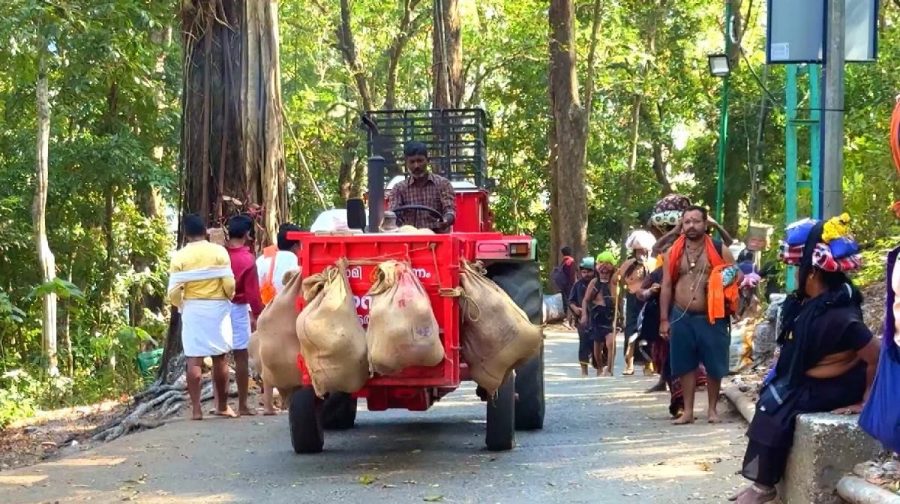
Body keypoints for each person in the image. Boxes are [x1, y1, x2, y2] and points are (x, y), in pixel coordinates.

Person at [731, 218, 878, 504]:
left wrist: (865, 400)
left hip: (837, 386)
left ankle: (763, 488)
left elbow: (875, 353)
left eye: (799, 269)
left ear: (811, 273)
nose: (796, 274)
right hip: (808, 381)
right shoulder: (810, 304)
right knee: (770, 401)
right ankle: (761, 485)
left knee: (779, 410)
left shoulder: (840, 315)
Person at [660, 205, 739, 425]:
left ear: (705, 224)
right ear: (681, 225)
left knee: (715, 364)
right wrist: (664, 319)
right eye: (687, 222)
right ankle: (688, 411)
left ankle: (712, 409)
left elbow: (737, 273)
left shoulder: (718, 248)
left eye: (696, 221)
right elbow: (666, 286)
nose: (691, 225)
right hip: (680, 315)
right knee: (684, 364)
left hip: (712, 316)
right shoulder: (673, 252)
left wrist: (719, 281)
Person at [167, 214, 236, 420]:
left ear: (186, 234)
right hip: (217, 308)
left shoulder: (179, 257)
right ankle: (222, 406)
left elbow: (174, 291)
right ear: (205, 230)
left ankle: (196, 410)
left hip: (193, 309)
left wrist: (181, 304)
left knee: (193, 358)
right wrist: (227, 297)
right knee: (219, 357)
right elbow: (229, 284)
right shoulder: (219, 252)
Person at [254, 223, 302, 415]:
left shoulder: (264, 258)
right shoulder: (294, 259)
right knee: (296, 353)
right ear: (297, 244)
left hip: (267, 310)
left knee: (267, 356)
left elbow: (255, 282)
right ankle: (294, 398)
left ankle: (267, 405)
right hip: (289, 311)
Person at [224, 215, 264, 417]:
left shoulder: (219, 255)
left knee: (218, 356)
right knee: (241, 356)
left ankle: (220, 404)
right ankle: (242, 405)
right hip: (238, 309)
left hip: (218, 307)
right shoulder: (247, 260)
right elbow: (253, 294)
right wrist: (258, 315)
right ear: (248, 234)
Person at [387, 141, 456, 233]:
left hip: (437, 238)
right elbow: (394, 213)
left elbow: (449, 210)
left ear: (428, 160)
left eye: (420, 161)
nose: (416, 166)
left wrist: (446, 220)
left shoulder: (443, 184)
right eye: (412, 162)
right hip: (409, 239)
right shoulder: (399, 188)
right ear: (406, 163)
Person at [615, 230, 656, 375]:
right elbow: (616, 279)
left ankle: (648, 363)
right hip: (632, 300)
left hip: (648, 300)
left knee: (648, 331)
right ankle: (629, 364)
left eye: (644, 251)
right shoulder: (628, 264)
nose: (641, 254)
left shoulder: (653, 263)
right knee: (630, 332)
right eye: (638, 251)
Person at [581, 251, 619, 376]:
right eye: (601, 263)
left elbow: (622, 272)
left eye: (607, 264)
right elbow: (586, 300)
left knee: (610, 342)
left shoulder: (614, 281)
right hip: (597, 316)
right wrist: (584, 315)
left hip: (610, 315)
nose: (604, 267)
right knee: (597, 345)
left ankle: (610, 369)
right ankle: (599, 367)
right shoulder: (594, 282)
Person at [569, 257, 595, 377]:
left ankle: (600, 367)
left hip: (597, 318)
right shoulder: (577, 285)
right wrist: (575, 309)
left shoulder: (598, 284)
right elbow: (571, 301)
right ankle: (584, 371)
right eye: (584, 272)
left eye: (589, 271)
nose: (586, 274)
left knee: (597, 343)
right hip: (582, 320)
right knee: (584, 343)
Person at [552, 246, 578, 328]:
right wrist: (575, 283)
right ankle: (568, 320)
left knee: (566, 301)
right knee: (572, 302)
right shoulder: (571, 261)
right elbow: (572, 275)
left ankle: (570, 321)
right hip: (570, 285)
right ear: (570, 252)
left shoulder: (563, 261)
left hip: (563, 285)